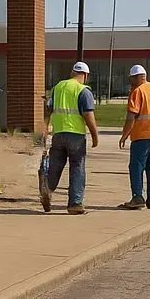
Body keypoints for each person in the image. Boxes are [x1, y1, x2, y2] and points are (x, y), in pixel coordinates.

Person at [42, 61, 100, 214]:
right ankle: (75, 203)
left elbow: (48, 110)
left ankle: (47, 189)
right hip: (76, 136)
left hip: (58, 133)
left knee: (55, 165)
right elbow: (88, 115)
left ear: (72, 73)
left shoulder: (57, 88)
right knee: (77, 167)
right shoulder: (83, 91)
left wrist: (45, 129)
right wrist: (95, 135)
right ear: (86, 75)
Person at [117, 64, 150, 210]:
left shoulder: (137, 91)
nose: (130, 81)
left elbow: (131, 116)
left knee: (136, 167)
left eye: (131, 78)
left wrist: (124, 135)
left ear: (136, 77)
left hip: (142, 136)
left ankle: (137, 197)